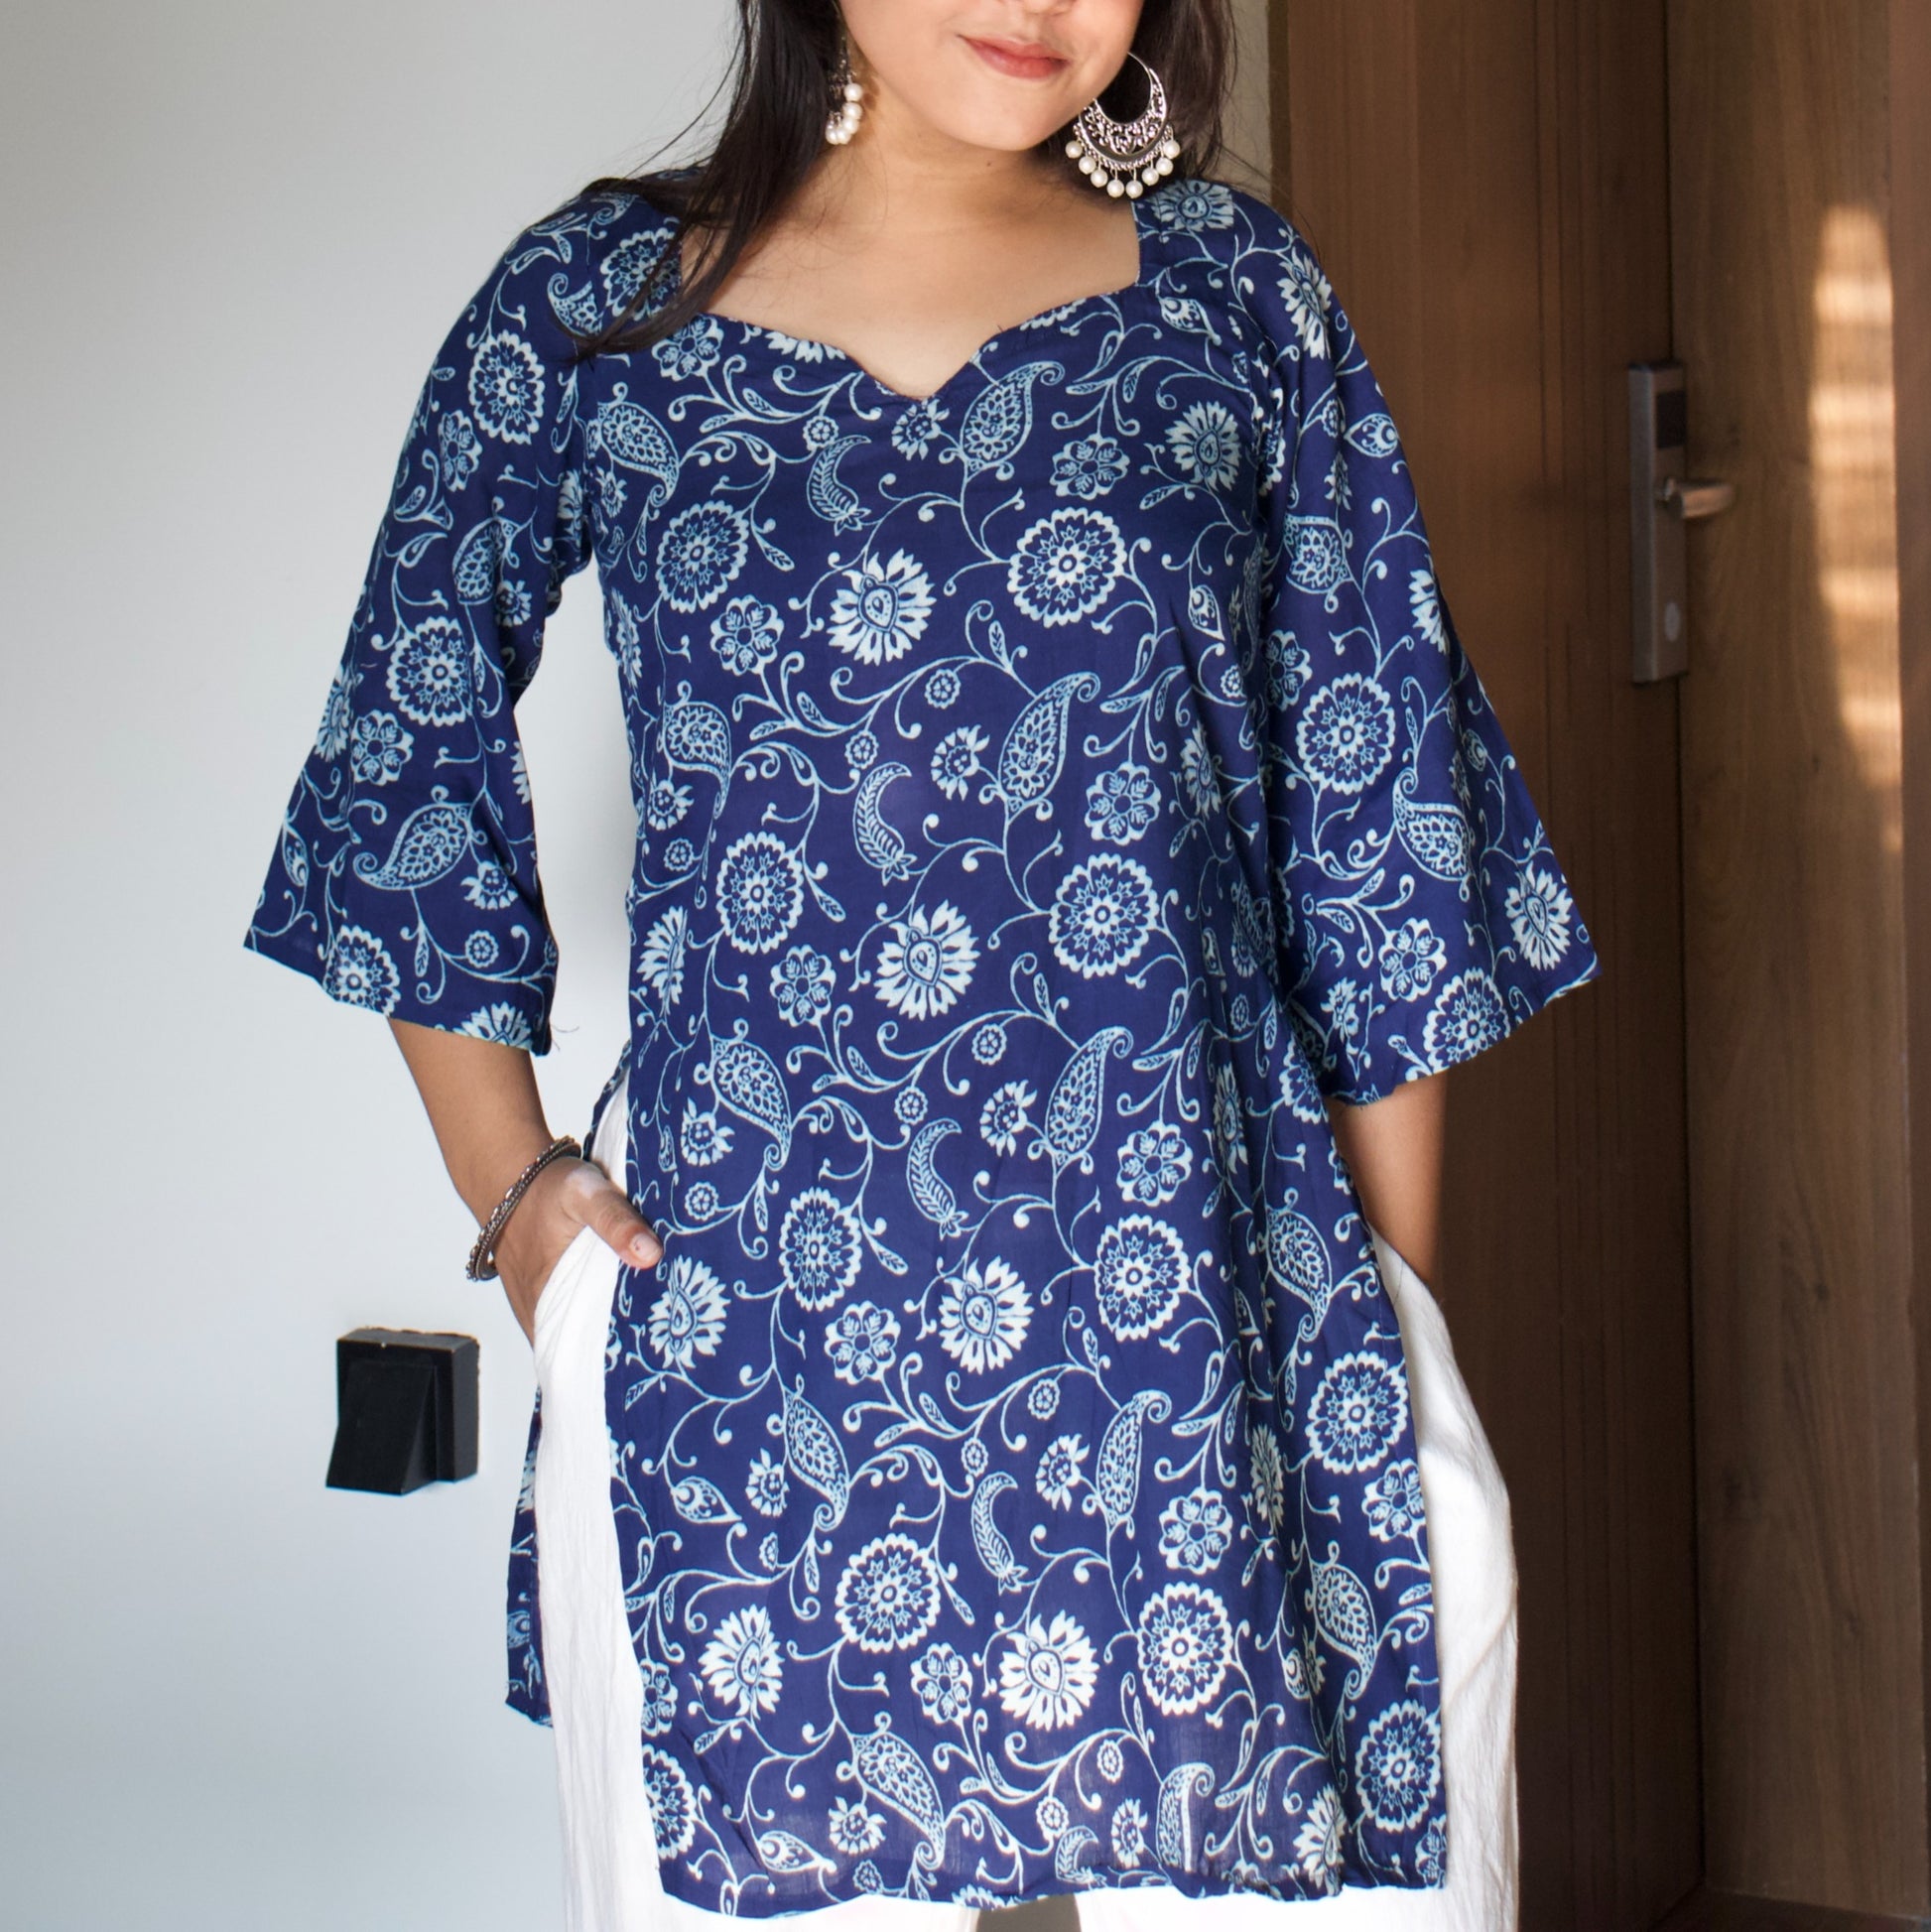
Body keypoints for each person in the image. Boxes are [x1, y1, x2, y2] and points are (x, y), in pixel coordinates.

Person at [245, 3, 1600, 1928]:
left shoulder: (1234, 295)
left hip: (1225, 1333)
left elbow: (1378, 820)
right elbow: (404, 739)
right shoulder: (596, 306)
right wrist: (515, 1196)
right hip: (752, 1362)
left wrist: (1383, 1304)